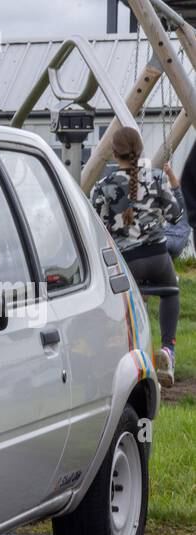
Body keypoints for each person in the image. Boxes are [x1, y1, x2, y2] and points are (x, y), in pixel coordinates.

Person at [91, 128, 183, 387]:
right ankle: (168, 350)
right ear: (140, 150)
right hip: (157, 258)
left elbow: (96, 228)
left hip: (127, 263)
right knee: (171, 290)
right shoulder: (155, 179)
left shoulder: (103, 186)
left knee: (122, 301)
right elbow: (176, 216)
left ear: (112, 152)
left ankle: (127, 355)